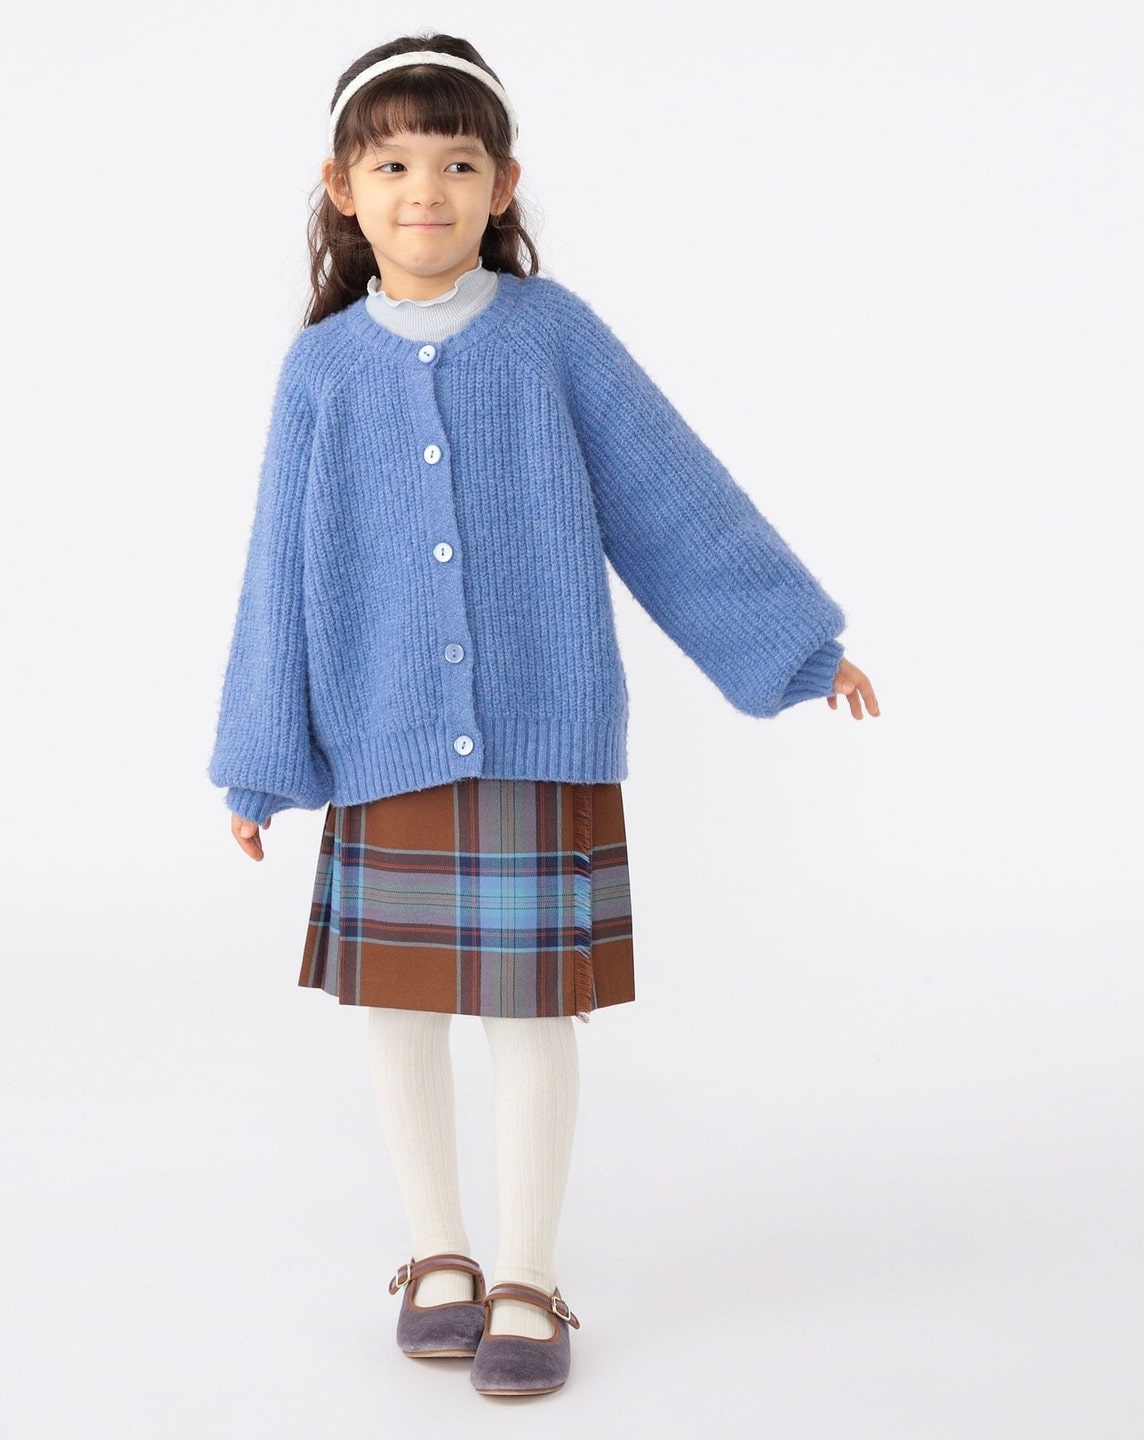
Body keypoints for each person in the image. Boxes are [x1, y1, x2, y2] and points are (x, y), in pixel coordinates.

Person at [207, 31, 880, 1399]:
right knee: (400, 1009)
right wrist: (261, 760)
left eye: (458, 164)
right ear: (342, 188)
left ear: (503, 185)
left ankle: (525, 1273)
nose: (426, 191)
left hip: (538, 731)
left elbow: (670, 495)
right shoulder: (320, 371)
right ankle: (437, 1255)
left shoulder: (551, 335)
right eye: (393, 164)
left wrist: (796, 647)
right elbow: (280, 567)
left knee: (528, 1019)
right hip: (383, 736)